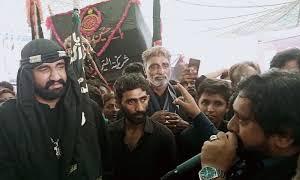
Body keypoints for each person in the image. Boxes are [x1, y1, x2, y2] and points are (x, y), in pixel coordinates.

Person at [0, 39, 108, 179]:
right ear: (27, 74)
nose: (56, 76)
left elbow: (105, 164)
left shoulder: (88, 109)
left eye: (60, 66)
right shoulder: (7, 117)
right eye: (44, 69)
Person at [199, 70, 300, 180]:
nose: (231, 126)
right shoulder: (256, 159)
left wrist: (211, 170)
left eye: (242, 119)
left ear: (284, 137)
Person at [107, 73, 177, 180]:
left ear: (148, 98)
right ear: (118, 103)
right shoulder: (108, 134)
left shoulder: (164, 136)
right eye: (131, 101)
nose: (139, 108)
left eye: (143, 99)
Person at [142, 46, 190, 134]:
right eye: (154, 67)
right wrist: (149, 123)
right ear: (145, 70)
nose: (161, 71)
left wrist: (185, 125)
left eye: (165, 65)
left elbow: (195, 123)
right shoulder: (136, 95)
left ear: (170, 69)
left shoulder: (180, 92)